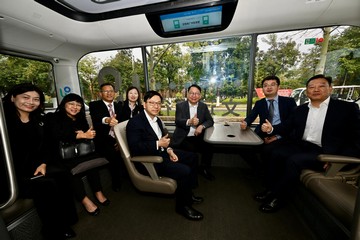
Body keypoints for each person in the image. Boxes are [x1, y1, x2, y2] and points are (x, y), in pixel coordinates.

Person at [255, 74, 360, 213]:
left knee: (294, 161)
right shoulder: (301, 109)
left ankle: (278, 197)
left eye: (321, 86)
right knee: (273, 152)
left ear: (330, 89)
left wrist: (335, 158)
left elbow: (357, 138)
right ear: (307, 91)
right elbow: (287, 126)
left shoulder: (346, 108)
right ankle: (270, 189)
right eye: (311, 87)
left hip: (325, 151)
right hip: (302, 145)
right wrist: (272, 129)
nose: (316, 89)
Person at [3, 83, 78, 239]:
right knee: (47, 184)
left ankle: (67, 221)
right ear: (12, 98)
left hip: (37, 165)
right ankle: (52, 229)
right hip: (12, 172)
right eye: (25, 97)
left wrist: (43, 163)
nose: (31, 102)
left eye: (36, 99)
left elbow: (47, 146)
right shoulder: (3, 122)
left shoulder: (40, 120)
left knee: (64, 174)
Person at [126, 90, 204, 220]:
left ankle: (188, 193)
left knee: (193, 157)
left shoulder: (156, 120)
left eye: (158, 103)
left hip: (162, 153)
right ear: (144, 104)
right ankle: (182, 206)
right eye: (152, 103)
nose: (156, 106)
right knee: (184, 170)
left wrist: (169, 150)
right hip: (149, 161)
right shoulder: (135, 122)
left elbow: (164, 141)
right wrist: (157, 144)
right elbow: (135, 148)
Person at [46, 93, 109, 216]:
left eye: (78, 105)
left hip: (81, 152)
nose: (75, 107)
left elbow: (84, 134)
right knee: (71, 171)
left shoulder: (80, 118)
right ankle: (85, 200)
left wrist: (87, 134)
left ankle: (98, 192)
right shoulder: (53, 117)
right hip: (62, 155)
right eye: (71, 104)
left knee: (92, 164)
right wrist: (80, 135)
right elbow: (56, 135)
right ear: (64, 104)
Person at [240, 76, 296, 173]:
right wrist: (245, 123)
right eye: (265, 85)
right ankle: (260, 170)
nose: (269, 87)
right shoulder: (259, 103)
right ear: (263, 89)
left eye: (272, 85)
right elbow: (251, 116)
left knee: (268, 150)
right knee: (244, 148)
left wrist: (276, 137)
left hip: (282, 133)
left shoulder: (289, 102)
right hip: (262, 132)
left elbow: (292, 123)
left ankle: (268, 174)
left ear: (278, 87)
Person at [172, 84, 215, 180]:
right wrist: (189, 121)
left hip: (198, 136)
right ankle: (190, 174)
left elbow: (210, 121)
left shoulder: (203, 106)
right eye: (191, 93)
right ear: (187, 94)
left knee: (209, 147)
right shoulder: (180, 106)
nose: (194, 96)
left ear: (200, 96)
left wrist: (201, 126)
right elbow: (178, 121)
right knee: (191, 150)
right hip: (184, 137)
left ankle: (204, 169)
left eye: (197, 94)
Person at [89, 83, 123, 192]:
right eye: (106, 91)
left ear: (114, 93)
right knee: (113, 153)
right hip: (103, 140)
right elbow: (98, 118)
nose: (109, 93)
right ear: (100, 93)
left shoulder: (119, 106)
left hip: (117, 138)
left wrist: (120, 141)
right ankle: (116, 183)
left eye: (111, 91)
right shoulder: (94, 105)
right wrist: (108, 120)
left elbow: (123, 124)